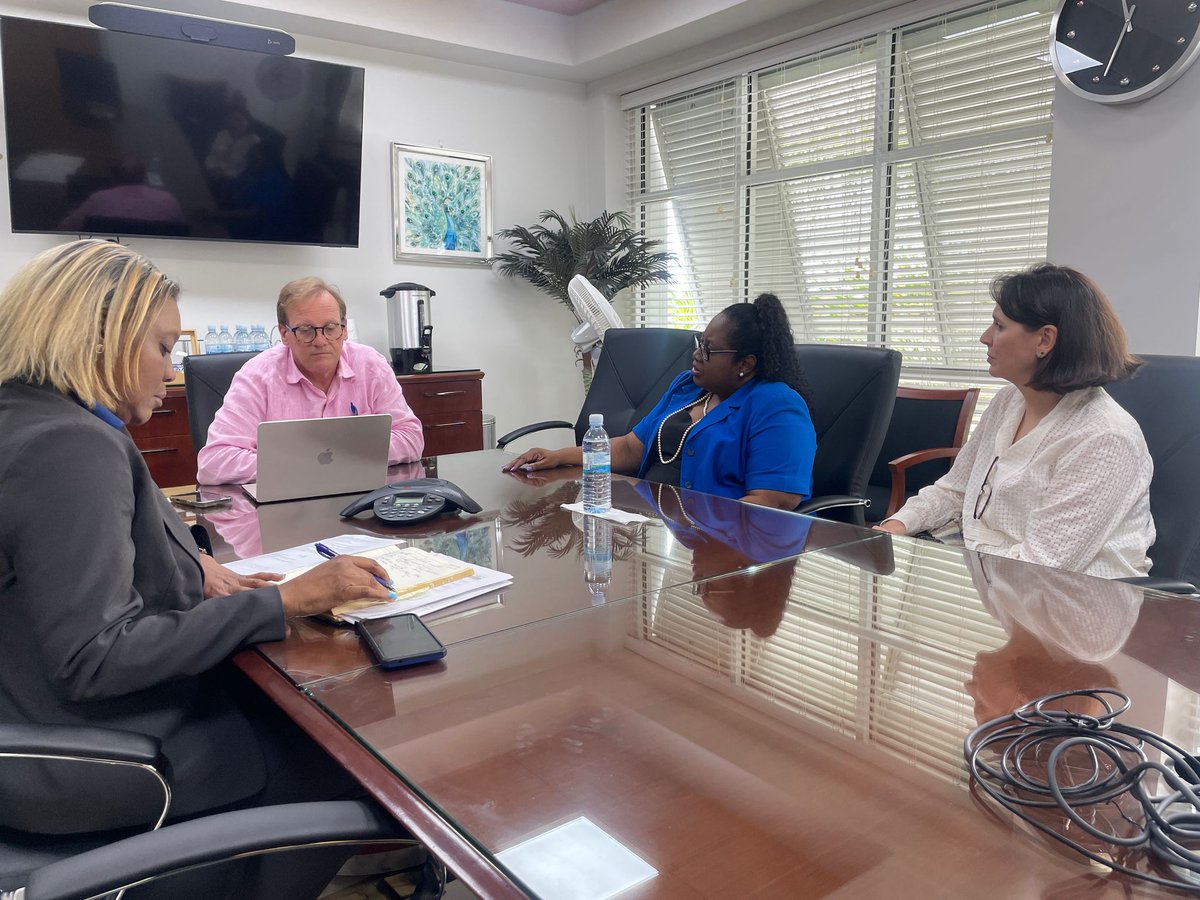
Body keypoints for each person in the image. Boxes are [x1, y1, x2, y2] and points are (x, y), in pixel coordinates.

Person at [0, 240, 399, 897]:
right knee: (346, 748)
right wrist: (283, 602)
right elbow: (96, 656)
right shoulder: (67, 445)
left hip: (31, 717)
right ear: (101, 340)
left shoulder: (33, 414)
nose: (172, 367)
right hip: (99, 758)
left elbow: (73, 559)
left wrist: (196, 564)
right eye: (161, 347)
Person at [876, 263, 1154, 579]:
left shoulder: (1105, 437)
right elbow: (955, 492)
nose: (984, 337)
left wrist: (956, 568)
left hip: (1077, 606)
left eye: (999, 326)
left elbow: (1042, 566)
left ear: (1045, 340)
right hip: (990, 579)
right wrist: (897, 525)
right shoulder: (1007, 402)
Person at [502, 293, 816, 510]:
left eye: (708, 350)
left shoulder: (777, 406)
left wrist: (704, 527)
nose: (696, 355)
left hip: (729, 546)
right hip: (659, 526)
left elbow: (773, 502)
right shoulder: (688, 388)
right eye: (698, 344)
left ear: (745, 364)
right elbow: (630, 448)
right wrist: (559, 456)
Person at [197, 276, 424, 484]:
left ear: (344, 330)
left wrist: (340, 457)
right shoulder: (257, 377)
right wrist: (306, 463)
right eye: (306, 330)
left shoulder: (370, 365)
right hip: (283, 509)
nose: (320, 340)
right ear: (285, 334)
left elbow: (411, 437)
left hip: (360, 500)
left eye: (330, 328)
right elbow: (214, 462)